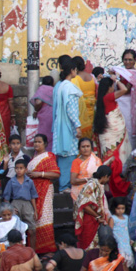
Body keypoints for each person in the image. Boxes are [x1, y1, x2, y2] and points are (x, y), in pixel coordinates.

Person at [92, 77, 131, 196]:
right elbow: (124, 90)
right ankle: (115, 190)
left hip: (107, 135)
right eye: (112, 86)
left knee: (109, 161)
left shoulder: (101, 99)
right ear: (109, 87)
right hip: (113, 134)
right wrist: (116, 80)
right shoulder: (108, 97)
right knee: (114, 162)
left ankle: (108, 190)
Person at [26, 134, 60, 254]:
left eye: (39, 142)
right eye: (35, 142)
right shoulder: (33, 158)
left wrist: (40, 174)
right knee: (34, 219)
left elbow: (56, 174)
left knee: (44, 218)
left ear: (45, 144)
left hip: (45, 190)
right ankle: (36, 249)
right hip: (33, 191)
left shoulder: (48, 156)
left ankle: (48, 249)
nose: (36, 144)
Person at [52, 56, 82, 189]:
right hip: (68, 127)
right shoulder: (69, 87)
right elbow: (72, 110)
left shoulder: (60, 85)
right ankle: (65, 185)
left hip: (60, 125)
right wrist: (78, 126)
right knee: (69, 155)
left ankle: (64, 184)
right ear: (72, 70)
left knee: (65, 156)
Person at [73, 165, 112, 249]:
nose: (108, 180)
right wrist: (97, 216)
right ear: (105, 176)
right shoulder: (92, 184)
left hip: (93, 219)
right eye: (108, 178)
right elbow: (84, 205)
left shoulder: (96, 184)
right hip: (89, 220)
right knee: (89, 246)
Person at [113, 49, 136, 140]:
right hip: (121, 105)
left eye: (130, 60)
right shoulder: (121, 73)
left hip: (130, 105)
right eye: (125, 60)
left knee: (129, 128)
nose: (127, 62)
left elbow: (126, 90)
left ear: (135, 60)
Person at [109, 198, 135, 271]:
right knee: (117, 268)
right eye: (118, 208)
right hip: (118, 245)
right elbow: (110, 232)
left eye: (122, 208)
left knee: (126, 268)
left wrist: (130, 240)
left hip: (126, 246)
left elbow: (127, 231)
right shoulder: (112, 218)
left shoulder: (126, 218)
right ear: (114, 208)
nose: (120, 211)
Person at [68, 138, 102, 202]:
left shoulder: (97, 160)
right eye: (83, 147)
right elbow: (73, 181)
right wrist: (88, 179)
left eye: (88, 146)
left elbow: (101, 178)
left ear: (91, 148)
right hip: (80, 193)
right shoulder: (76, 162)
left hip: (95, 191)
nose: (85, 149)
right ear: (79, 149)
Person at [30, 76, 55, 146]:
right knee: (51, 137)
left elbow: (38, 102)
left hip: (44, 117)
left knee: (43, 136)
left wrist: (36, 109)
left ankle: (42, 153)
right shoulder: (55, 89)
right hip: (54, 116)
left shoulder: (42, 88)